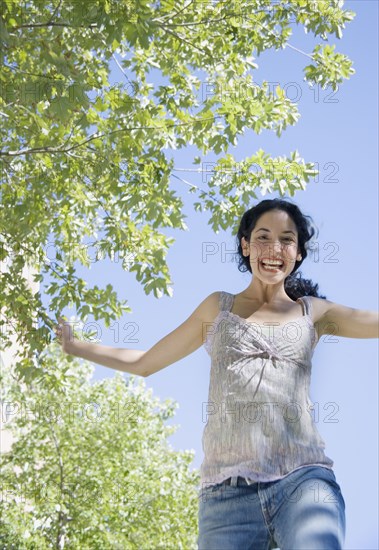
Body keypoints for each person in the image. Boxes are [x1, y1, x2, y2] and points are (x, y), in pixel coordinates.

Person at [55, 198, 379, 550]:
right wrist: (76, 346)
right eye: (263, 237)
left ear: (298, 252)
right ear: (245, 245)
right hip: (227, 496)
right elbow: (145, 362)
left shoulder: (312, 312)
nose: (274, 248)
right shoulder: (218, 308)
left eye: (287, 239)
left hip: (302, 481)